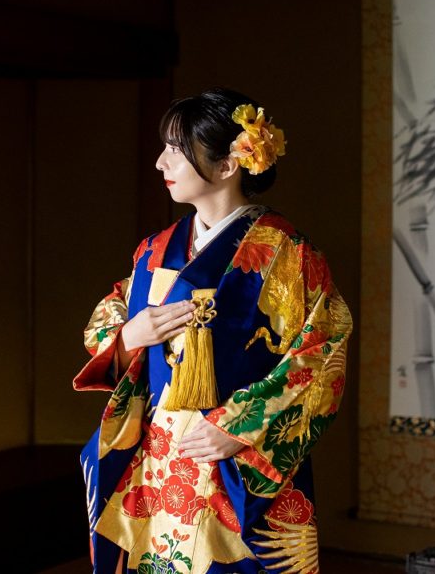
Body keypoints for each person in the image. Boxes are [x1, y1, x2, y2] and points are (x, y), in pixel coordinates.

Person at [74, 88, 352, 573]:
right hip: (158, 460)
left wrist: (240, 425)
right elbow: (110, 314)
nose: (161, 162)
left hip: (233, 456)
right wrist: (129, 336)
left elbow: (323, 352)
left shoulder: (288, 253)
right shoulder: (156, 249)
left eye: (176, 150)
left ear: (227, 165)